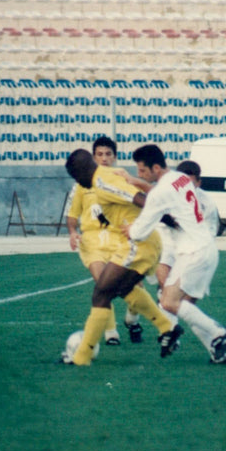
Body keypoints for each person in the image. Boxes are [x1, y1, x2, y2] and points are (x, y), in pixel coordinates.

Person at [63, 148, 183, 366]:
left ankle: (82, 357)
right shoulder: (103, 179)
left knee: (101, 293)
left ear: (81, 171)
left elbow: (139, 198)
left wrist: (167, 218)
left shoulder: (102, 181)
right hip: (136, 244)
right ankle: (167, 327)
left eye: (76, 177)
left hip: (138, 244)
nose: (78, 182)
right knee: (123, 289)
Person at [125, 145, 226, 364]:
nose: (140, 174)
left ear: (155, 167)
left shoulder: (161, 192)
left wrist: (129, 229)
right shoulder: (181, 178)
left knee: (168, 302)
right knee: (181, 305)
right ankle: (218, 353)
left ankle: (218, 333)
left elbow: (139, 232)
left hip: (194, 252)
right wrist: (139, 183)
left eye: (143, 171)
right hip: (205, 249)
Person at [64, 136, 143, 345]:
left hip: (120, 239)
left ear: (115, 157)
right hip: (93, 242)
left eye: (108, 154)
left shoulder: (121, 179)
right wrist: (73, 232)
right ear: (93, 157)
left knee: (137, 286)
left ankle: (132, 320)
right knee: (102, 285)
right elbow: (72, 214)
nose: (104, 158)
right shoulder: (82, 184)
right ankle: (111, 334)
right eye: (99, 154)